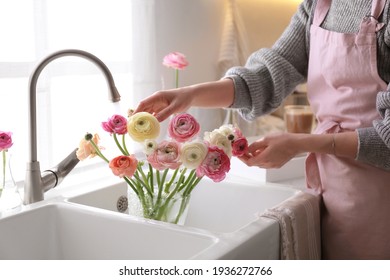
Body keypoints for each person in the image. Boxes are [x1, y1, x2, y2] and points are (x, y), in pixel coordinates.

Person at [134, 0, 390, 260]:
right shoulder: (318, 5)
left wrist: (300, 143)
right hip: (331, 178)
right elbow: (267, 75)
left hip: (380, 188)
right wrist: (190, 94)